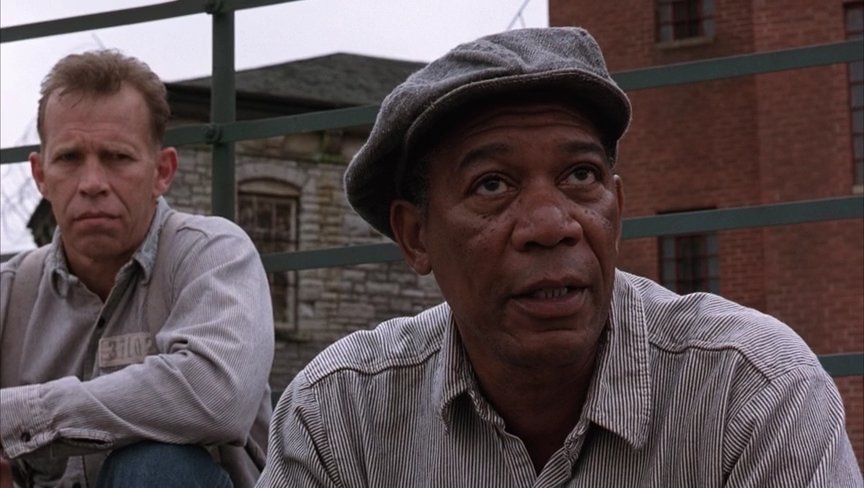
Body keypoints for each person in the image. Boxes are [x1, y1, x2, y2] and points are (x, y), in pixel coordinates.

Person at [257, 27, 863, 487]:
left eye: (580, 175)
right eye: (492, 184)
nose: (551, 226)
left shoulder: (752, 392)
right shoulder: (339, 415)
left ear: (616, 211)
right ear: (415, 236)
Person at [0, 50, 275, 488]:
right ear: (41, 175)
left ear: (162, 171)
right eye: (69, 158)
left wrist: (23, 414)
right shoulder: (11, 292)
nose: (92, 183)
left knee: (156, 466)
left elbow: (217, 396)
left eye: (117, 157)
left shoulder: (214, 255)